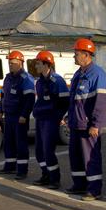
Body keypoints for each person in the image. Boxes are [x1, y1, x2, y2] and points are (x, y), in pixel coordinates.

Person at [66, 38, 106, 201]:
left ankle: (94, 190)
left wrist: (96, 124)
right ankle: (79, 185)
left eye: (76, 53)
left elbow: (101, 102)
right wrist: (68, 117)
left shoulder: (97, 74)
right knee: (75, 156)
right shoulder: (79, 73)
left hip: (88, 126)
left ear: (86, 55)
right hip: (76, 123)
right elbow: (74, 100)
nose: (73, 56)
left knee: (91, 158)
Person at [32, 51, 69, 189]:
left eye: (38, 63)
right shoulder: (39, 82)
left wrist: (58, 118)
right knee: (39, 151)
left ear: (46, 64)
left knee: (48, 150)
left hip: (50, 121)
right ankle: (45, 174)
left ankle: (54, 179)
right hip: (41, 119)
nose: (36, 66)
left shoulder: (57, 81)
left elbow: (65, 102)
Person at [0, 51, 35, 180]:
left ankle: (22, 170)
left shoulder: (26, 78)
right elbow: (3, 95)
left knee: (21, 143)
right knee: (8, 141)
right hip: (8, 115)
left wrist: (24, 115)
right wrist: (0, 111)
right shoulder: (8, 78)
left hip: (19, 117)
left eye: (12, 63)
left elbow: (30, 99)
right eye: (9, 63)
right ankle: (10, 166)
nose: (10, 65)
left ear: (20, 63)